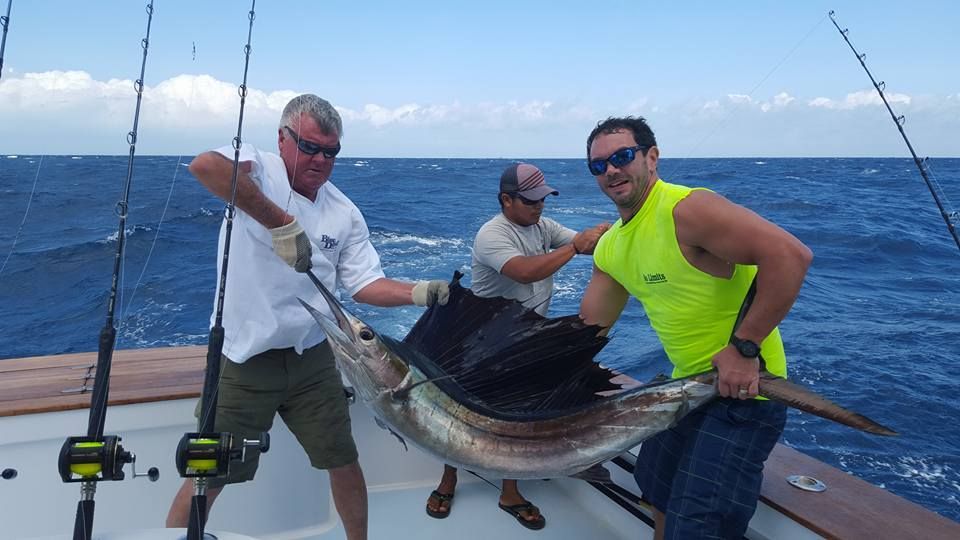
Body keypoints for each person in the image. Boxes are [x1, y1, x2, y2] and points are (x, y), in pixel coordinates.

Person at [165, 94, 449, 540]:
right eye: (309, 146)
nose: (320, 159)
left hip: (312, 360)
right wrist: (280, 222)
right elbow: (206, 167)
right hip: (244, 361)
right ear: (282, 138)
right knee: (210, 475)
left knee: (344, 461)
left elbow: (364, 284)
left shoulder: (344, 212)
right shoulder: (258, 168)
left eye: (331, 151)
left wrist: (418, 292)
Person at [579, 117, 813, 540]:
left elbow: (789, 255)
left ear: (652, 157)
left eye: (622, 156)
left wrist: (745, 348)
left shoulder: (686, 210)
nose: (611, 170)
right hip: (685, 390)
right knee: (656, 488)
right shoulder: (610, 247)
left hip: (744, 393)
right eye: (599, 165)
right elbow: (585, 333)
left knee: (700, 525)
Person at [425, 162, 609, 530]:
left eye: (543, 199)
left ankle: (510, 492)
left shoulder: (543, 226)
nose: (539, 206)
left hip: (526, 340)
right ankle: (448, 480)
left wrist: (612, 233)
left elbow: (587, 245)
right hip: (479, 344)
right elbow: (526, 271)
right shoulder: (491, 234)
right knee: (458, 418)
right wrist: (575, 246)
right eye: (530, 200)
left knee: (519, 416)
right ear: (506, 200)